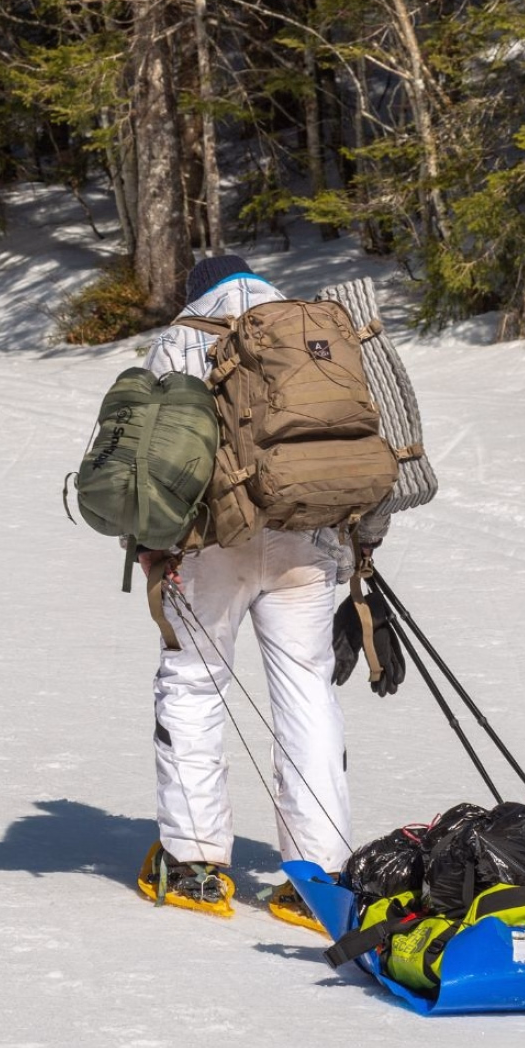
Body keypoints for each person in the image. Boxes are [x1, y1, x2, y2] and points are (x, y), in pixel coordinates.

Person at [136, 254, 361, 930]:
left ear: (193, 292)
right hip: (310, 536)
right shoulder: (313, 333)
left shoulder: (179, 341)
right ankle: (316, 875)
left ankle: (195, 865)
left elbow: (153, 460)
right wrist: (359, 561)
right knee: (306, 692)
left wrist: (153, 550)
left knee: (194, 685)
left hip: (211, 545)